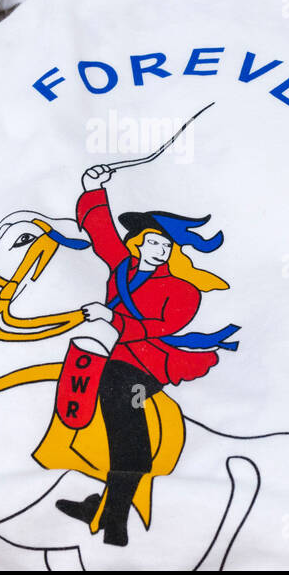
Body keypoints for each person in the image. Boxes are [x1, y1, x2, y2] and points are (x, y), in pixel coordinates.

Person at [55, 163, 237, 546]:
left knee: (129, 436)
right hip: (106, 353)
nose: (161, 250)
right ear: (138, 243)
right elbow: (100, 229)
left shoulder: (185, 291)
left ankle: (116, 523)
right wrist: (92, 187)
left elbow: (160, 327)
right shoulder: (122, 266)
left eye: (166, 246)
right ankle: (102, 506)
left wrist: (113, 319)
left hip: (143, 365)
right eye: (154, 242)